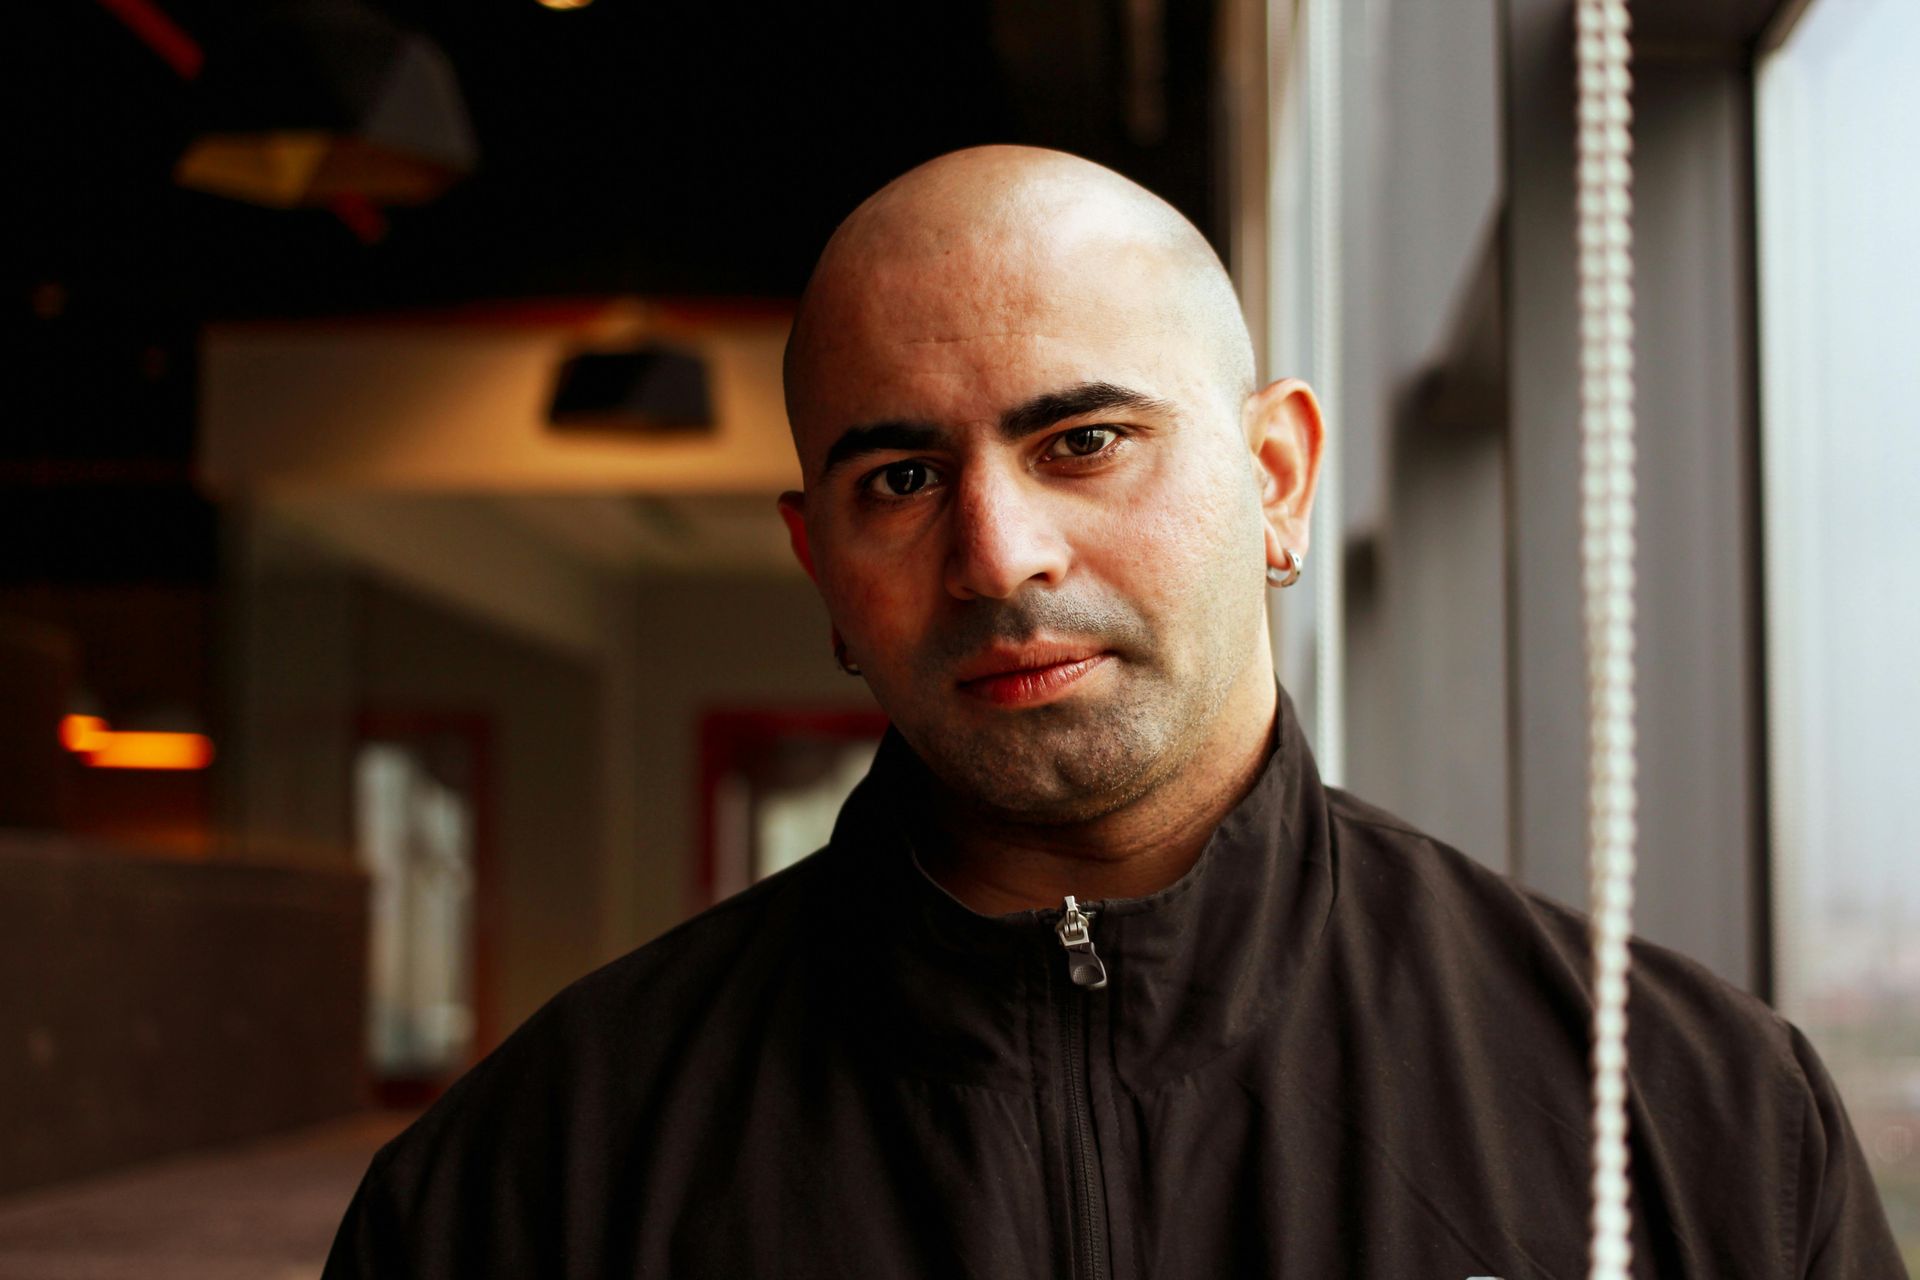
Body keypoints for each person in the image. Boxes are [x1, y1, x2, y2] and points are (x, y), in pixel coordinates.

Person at [323, 147, 1904, 1278]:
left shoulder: (1692, 1120)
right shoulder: (530, 1184)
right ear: (822, 567)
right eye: (902, 479)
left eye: (1081, 442)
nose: (999, 554)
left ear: (1276, 479)